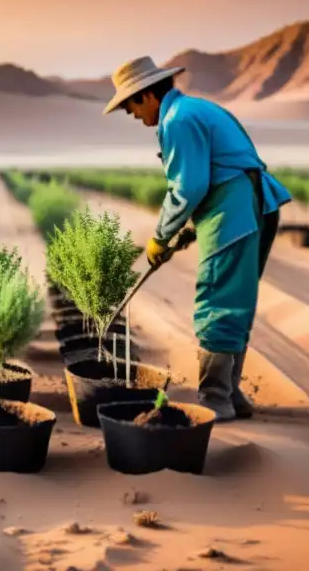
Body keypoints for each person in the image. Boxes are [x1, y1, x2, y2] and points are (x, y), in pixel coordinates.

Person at [102, 56, 291, 422]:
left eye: (132, 109)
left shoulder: (178, 120)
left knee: (217, 298)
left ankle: (214, 399)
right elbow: (221, 168)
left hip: (234, 211)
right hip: (253, 204)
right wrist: (190, 229)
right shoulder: (196, 108)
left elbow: (188, 186)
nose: (137, 118)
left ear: (147, 96)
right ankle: (232, 394)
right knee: (235, 299)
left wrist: (161, 235)